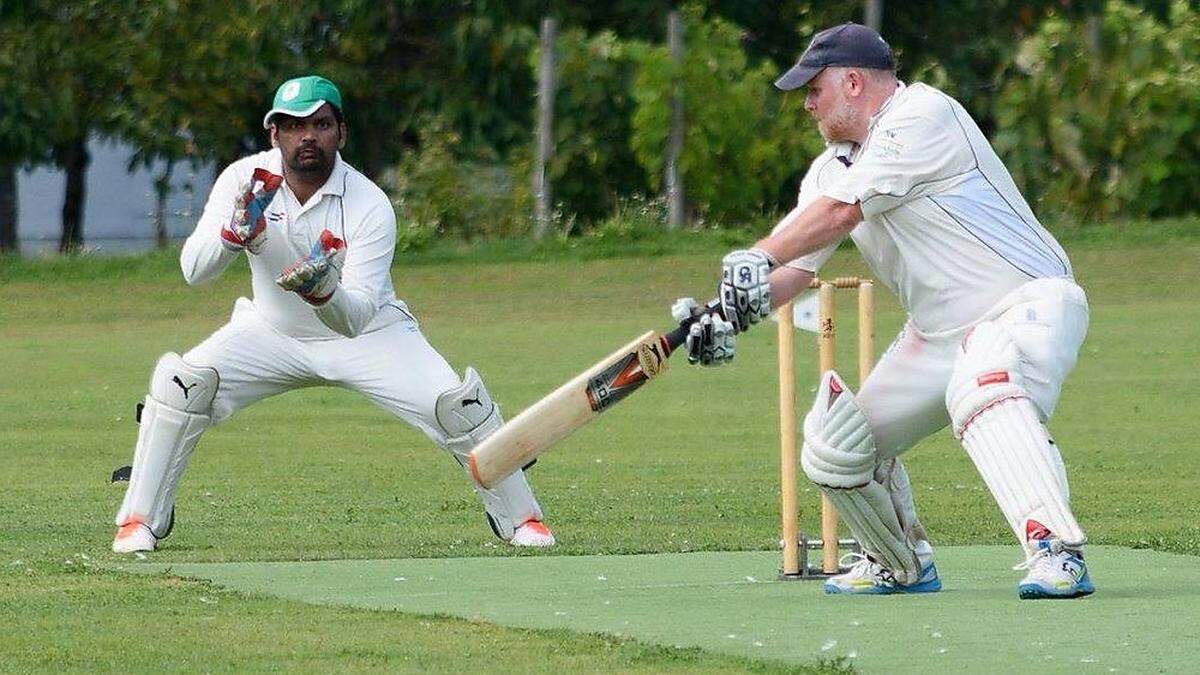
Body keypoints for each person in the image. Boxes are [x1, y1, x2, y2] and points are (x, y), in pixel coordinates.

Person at [673, 24, 1093, 599]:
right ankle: (900, 562)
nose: (806, 103)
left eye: (813, 88)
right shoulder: (830, 169)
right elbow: (796, 269)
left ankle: (1055, 552)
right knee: (834, 445)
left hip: (1027, 301)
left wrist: (758, 255)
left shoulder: (924, 116)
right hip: (939, 335)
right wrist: (726, 313)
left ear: (851, 81)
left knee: (981, 382)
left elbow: (840, 216)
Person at [112, 75, 555, 553]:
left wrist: (325, 293)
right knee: (182, 384)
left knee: (457, 405)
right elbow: (193, 272)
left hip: (369, 336)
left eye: (321, 124)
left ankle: (520, 518)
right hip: (270, 331)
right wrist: (231, 234)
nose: (308, 137)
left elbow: (355, 317)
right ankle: (141, 520)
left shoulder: (370, 205)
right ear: (273, 134)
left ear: (340, 132)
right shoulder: (244, 181)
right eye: (294, 126)